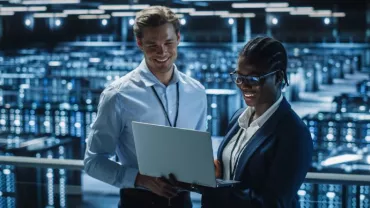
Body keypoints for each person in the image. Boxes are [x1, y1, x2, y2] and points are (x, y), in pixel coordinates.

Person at [83, 6, 207, 208]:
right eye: (152, 45)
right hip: (137, 202)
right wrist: (140, 179)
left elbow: (199, 152)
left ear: (178, 38)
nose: (162, 52)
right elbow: (93, 161)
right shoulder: (118, 95)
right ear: (139, 43)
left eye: (168, 42)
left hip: (183, 203)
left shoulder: (197, 92)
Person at [200, 37, 313, 208]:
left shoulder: (294, 133)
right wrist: (215, 176)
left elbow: (273, 203)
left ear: (278, 77)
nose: (243, 85)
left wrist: (215, 189)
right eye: (239, 77)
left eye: (253, 79)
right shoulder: (238, 119)